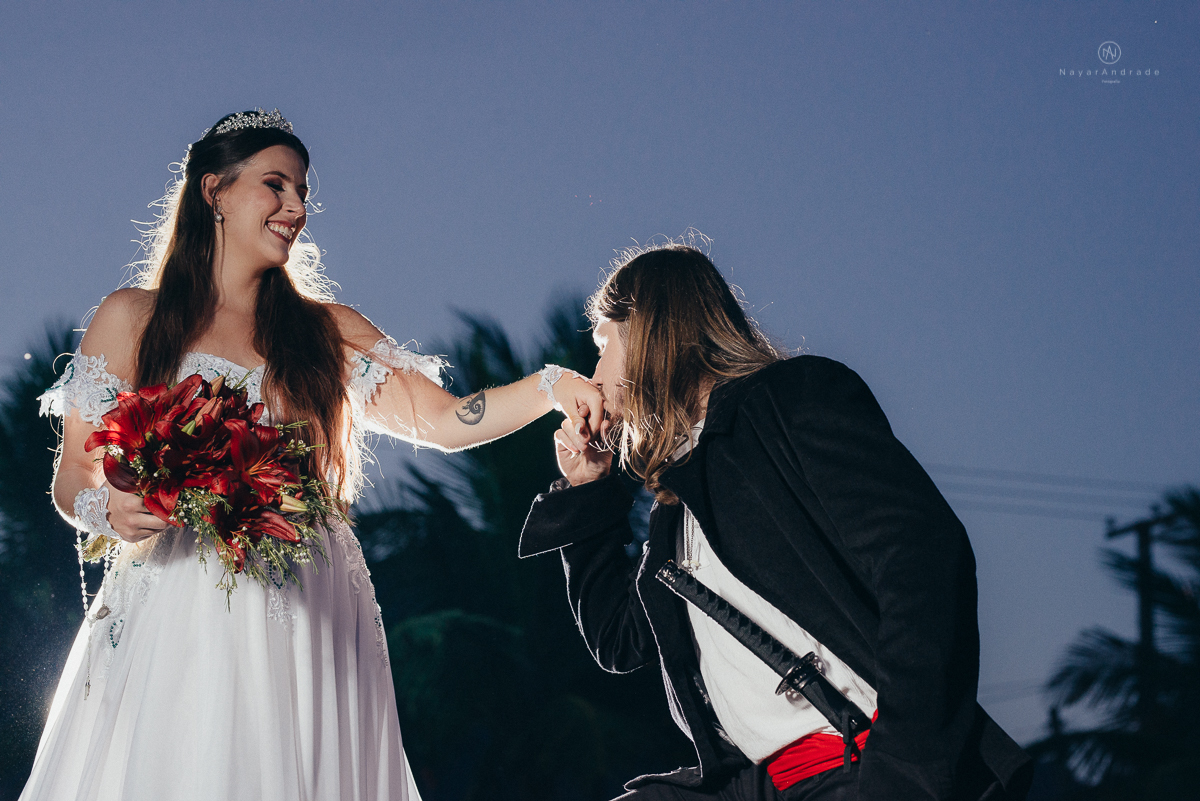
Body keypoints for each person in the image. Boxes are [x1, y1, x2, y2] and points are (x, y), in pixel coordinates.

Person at [22, 109, 602, 801]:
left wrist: (550, 385)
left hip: (309, 601)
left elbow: (444, 421)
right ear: (215, 191)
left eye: (301, 193)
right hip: (179, 605)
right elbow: (72, 477)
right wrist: (110, 505)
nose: (296, 208)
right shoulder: (131, 318)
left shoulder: (326, 332)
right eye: (276, 185)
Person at [518, 244, 1033, 800]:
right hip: (749, 784)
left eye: (602, 346)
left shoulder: (790, 399)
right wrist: (588, 490)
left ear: (648, 332)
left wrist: (907, 766)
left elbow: (923, 561)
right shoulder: (678, 505)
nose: (594, 375)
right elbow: (618, 642)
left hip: (855, 763)